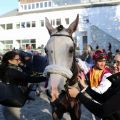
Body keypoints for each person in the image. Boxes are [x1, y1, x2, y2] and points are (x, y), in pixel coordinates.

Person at [68, 52, 120, 120]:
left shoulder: (107, 75)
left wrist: (78, 95)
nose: (114, 65)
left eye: (118, 63)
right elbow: (103, 97)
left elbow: (102, 111)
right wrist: (85, 86)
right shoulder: (116, 80)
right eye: (114, 62)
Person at [0, 50, 46, 120]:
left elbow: (28, 72)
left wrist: (21, 65)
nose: (19, 61)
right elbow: (30, 78)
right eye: (17, 59)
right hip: (14, 102)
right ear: (9, 61)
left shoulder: (4, 68)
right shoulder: (13, 71)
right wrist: (46, 78)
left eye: (19, 59)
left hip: (6, 100)